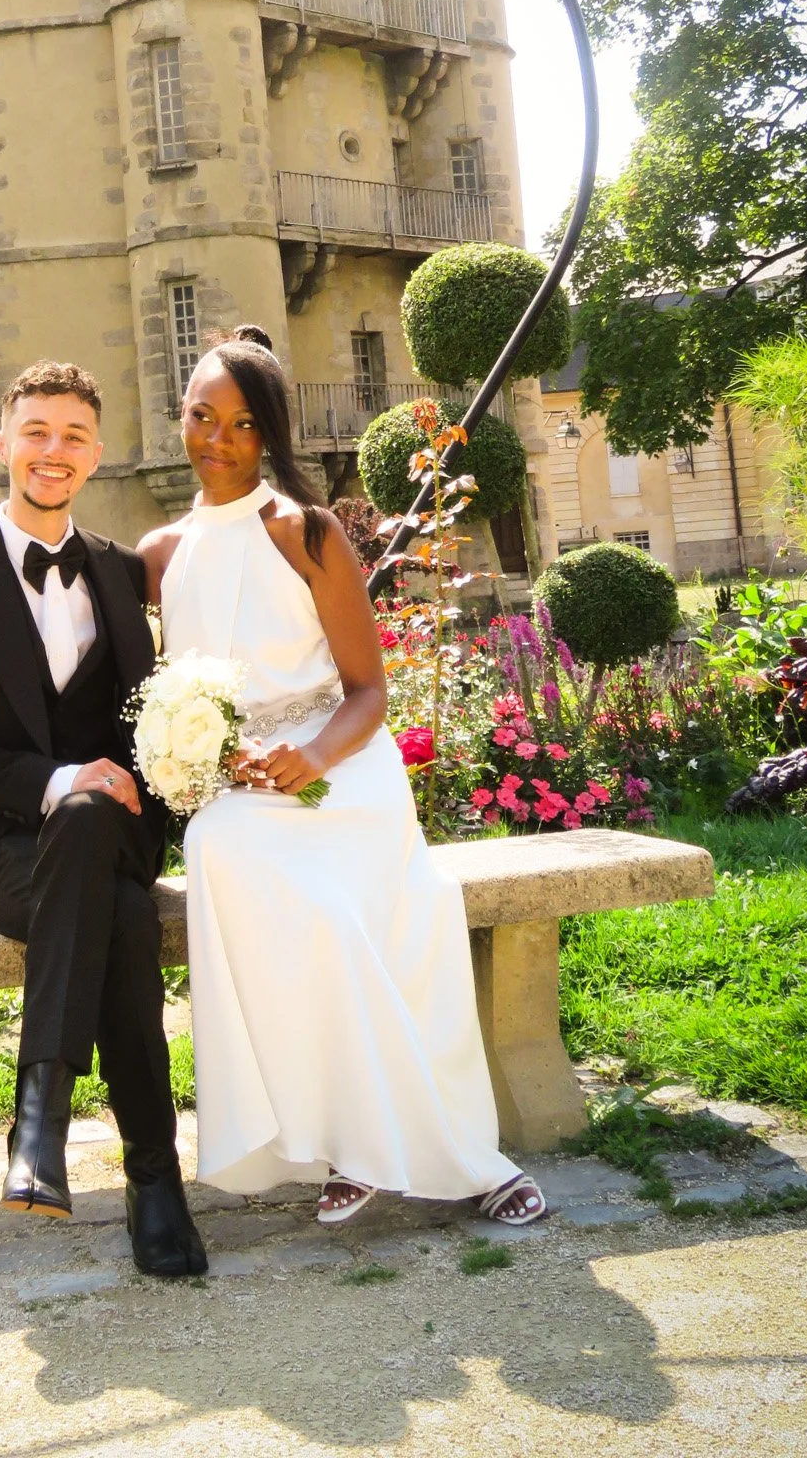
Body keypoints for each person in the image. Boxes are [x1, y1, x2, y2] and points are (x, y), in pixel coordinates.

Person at [138, 326, 547, 1229]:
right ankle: (339, 1139)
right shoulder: (160, 554)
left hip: (345, 772)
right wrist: (190, 757)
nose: (218, 439)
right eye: (203, 416)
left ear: (269, 435)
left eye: (242, 425)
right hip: (242, 793)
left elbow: (370, 692)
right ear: (181, 418)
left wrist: (314, 757)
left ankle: (462, 1159)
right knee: (217, 846)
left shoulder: (307, 533)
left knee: (345, 912)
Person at [0, 360, 208, 1277]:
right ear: (3, 445)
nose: (53, 451)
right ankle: (155, 1184)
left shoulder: (121, 573)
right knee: (114, 912)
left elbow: (150, 715)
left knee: (88, 826)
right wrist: (59, 777)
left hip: (115, 826)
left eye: (73, 435)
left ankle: (40, 1118)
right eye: (36, 431)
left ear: (98, 454)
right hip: (1, 852)